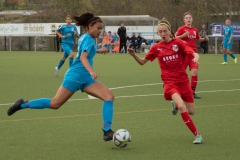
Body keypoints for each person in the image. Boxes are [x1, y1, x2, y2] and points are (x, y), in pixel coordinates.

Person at [7, 12, 115, 142]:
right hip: (75, 77)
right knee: (55, 104)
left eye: (101, 29)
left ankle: (107, 131)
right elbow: (82, 57)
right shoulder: (87, 39)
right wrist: (91, 71)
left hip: (85, 79)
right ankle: (22, 105)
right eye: (98, 28)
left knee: (109, 97)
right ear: (90, 26)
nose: (100, 31)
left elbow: (84, 51)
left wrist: (98, 50)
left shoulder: (86, 38)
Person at [127, 18, 203, 144]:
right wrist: (133, 55)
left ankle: (175, 103)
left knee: (191, 111)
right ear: (158, 33)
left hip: (183, 81)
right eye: (160, 32)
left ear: (170, 31)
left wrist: (196, 57)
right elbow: (142, 62)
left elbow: (193, 53)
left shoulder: (178, 43)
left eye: (165, 31)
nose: (163, 34)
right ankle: (197, 135)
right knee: (182, 107)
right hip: (169, 83)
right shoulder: (156, 47)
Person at [175, 12, 209, 99]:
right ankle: (175, 89)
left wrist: (204, 39)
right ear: (184, 20)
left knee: (194, 72)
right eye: (186, 18)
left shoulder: (195, 29)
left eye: (190, 17)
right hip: (184, 54)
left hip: (194, 54)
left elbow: (198, 39)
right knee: (180, 73)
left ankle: (192, 92)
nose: (188, 19)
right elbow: (174, 38)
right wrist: (183, 35)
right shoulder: (181, 28)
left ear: (192, 19)